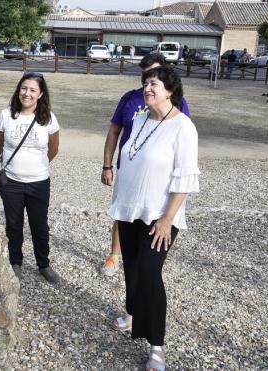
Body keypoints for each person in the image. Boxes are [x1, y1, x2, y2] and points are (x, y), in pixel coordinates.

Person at [108, 66, 200, 371]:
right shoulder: (140, 119)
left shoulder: (183, 127)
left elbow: (185, 179)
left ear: (170, 90)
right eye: (146, 83)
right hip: (130, 210)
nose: (148, 88)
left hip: (160, 218)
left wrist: (166, 219)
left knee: (149, 274)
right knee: (132, 270)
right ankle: (132, 314)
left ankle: (157, 347)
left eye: (155, 84)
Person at [100, 53, 189, 277]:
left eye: (154, 75)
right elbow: (114, 131)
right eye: (145, 75)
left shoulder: (177, 103)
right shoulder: (130, 98)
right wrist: (107, 165)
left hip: (155, 173)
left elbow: (180, 137)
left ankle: (149, 257)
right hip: (128, 168)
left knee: (148, 220)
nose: (148, 80)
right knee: (123, 213)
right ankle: (115, 255)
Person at [0, 72, 61, 284]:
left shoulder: (48, 118)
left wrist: (36, 167)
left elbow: (53, 149)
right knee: (13, 224)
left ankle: (43, 264)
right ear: (18, 90)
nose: (27, 93)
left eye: (33, 90)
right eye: (24, 88)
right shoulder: (6, 115)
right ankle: (16, 261)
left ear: (41, 94)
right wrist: (16, 165)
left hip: (39, 182)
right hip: (11, 182)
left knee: (39, 225)